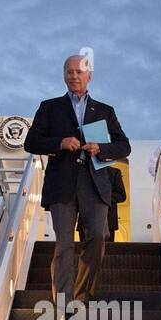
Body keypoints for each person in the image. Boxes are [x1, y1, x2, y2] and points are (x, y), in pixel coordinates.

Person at [24, 54, 131, 302]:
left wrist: (101, 149)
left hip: (95, 184)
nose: (74, 76)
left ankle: (81, 295)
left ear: (89, 76)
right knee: (64, 244)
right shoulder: (49, 107)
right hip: (62, 183)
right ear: (64, 75)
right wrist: (59, 142)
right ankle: (63, 301)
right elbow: (31, 142)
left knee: (96, 238)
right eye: (69, 71)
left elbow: (124, 146)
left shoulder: (105, 110)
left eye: (79, 72)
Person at [78, 165, 126, 242]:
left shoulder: (113, 172)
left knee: (108, 252)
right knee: (84, 250)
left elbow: (121, 196)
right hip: (85, 220)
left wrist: (102, 197)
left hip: (108, 220)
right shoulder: (82, 172)